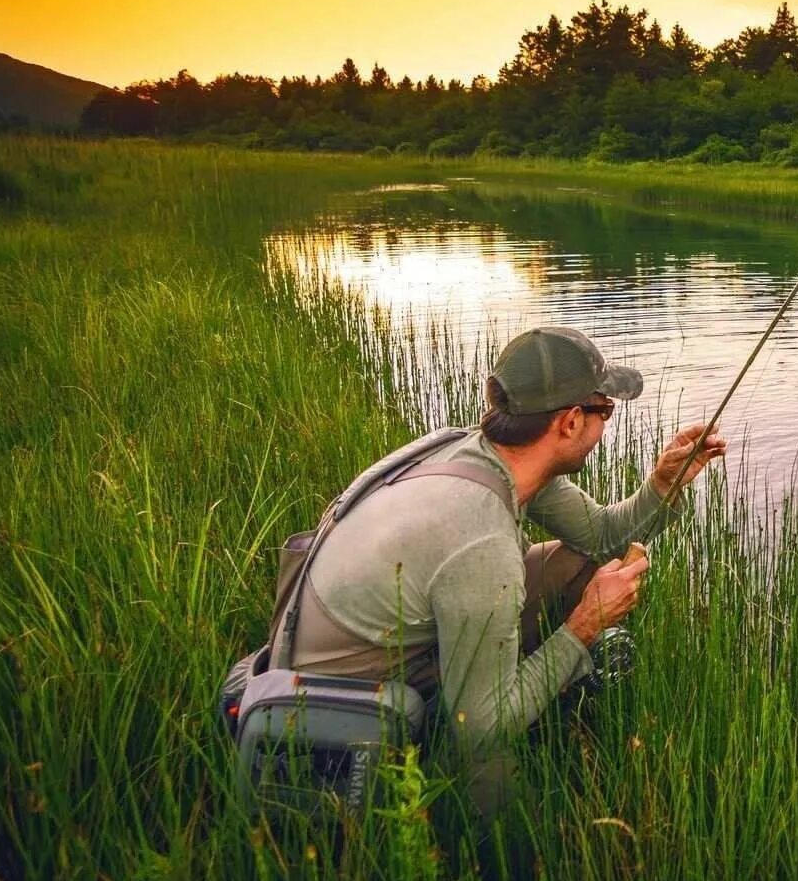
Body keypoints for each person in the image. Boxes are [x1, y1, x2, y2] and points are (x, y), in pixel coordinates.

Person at [269, 326, 725, 804]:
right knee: (500, 785)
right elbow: (480, 731)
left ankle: (533, 681)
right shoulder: (482, 541)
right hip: (354, 693)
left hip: (385, 635)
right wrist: (584, 626)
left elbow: (602, 537)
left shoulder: (486, 454)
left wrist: (664, 483)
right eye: (604, 410)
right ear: (570, 422)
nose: (606, 423)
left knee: (576, 563)